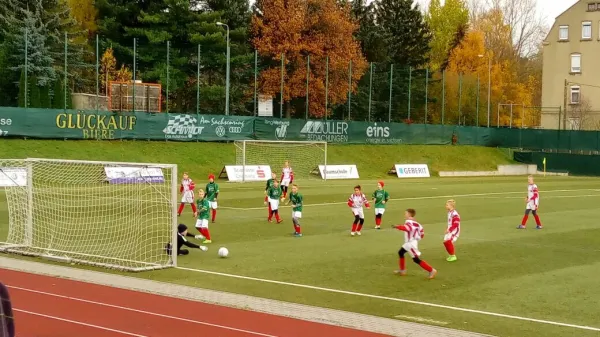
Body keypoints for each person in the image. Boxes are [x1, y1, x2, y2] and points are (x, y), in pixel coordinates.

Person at [392, 209, 437, 279]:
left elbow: (407, 228)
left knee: (416, 259)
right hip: (410, 242)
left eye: (406, 213)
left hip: (410, 244)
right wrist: (417, 238)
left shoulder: (408, 222)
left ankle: (431, 270)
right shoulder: (417, 224)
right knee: (401, 252)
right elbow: (422, 233)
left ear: (409, 214)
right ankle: (402, 270)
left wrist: (397, 226)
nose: (404, 215)